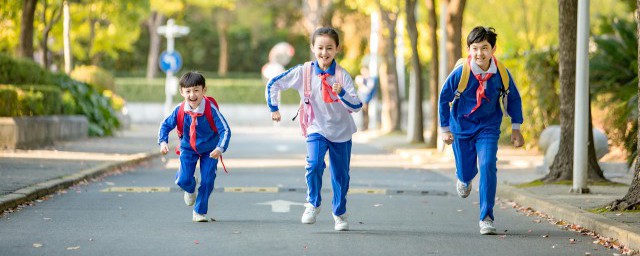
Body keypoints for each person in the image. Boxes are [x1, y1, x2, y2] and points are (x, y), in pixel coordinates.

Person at [265, 27, 362, 231]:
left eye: (329, 48)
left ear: (337, 49)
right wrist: (274, 108)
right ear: (312, 48)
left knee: (340, 175)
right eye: (320, 48)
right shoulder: (304, 71)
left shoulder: (342, 75)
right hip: (316, 128)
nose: (324, 53)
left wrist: (342, 93)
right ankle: (313, 203)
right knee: (314, 164)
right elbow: (274, 84)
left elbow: (356, 105)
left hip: (341, 132)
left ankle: (339, 213)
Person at [438, 26, 524, 235]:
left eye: (484, 48)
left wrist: (516, 128)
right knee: (467, 171)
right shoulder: (461, 72)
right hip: (462, 127)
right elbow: (443, 98)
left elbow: (513, 98)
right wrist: (444, 129)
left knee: (487, 165)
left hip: (488, 126)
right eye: (475, 48)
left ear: (493, 49)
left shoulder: (501, 73)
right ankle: (464, 178)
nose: (479, 53)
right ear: (469, 49)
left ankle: (486, 217)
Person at [158, 71, 231, 222]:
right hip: (188, 148)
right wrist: (163, 142)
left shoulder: (211, 109)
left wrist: (220, 148)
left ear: (204, 90)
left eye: (196, 90)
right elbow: (165, 125)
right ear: (182, 92)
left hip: (210, 150)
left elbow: (225, 130)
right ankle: (190, 187)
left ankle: (199, 211)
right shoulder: (179, 110)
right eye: (188, 91)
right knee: (183, 180)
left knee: (208, 180)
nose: (192, 95)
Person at [354, 66, 377, 131]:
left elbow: (368, 90)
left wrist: (361, 84)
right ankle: (364, 126)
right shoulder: (362, 79)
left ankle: (365, 127)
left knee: (365, 112)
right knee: (363, 113)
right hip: (362, 98)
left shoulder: (370, 79)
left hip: (367, 99)